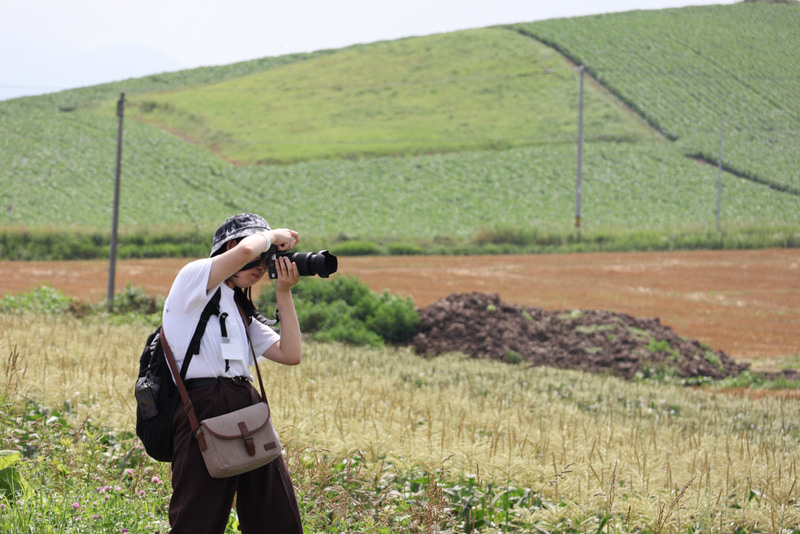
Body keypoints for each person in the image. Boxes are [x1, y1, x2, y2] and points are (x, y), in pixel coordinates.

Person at [162, 212, 303, 533]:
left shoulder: (239, 308)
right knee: (197, 521)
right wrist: (273, 235)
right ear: (232, 246)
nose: (261, 265)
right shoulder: (193, 279)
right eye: (260, 256)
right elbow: (242, 254)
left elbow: (291, 354)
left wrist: (284, 291)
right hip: (203, 406)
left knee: (278, 520)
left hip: (248, 406)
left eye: (267, 259)